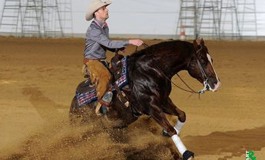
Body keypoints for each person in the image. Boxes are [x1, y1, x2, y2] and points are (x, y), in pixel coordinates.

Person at [84, 0, 143, 115]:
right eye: (103, 8)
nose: (107, 10)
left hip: (100, 60)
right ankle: (100, 105)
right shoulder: (94, 30)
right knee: (105, 76)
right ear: (96, 13)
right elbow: (108, 43)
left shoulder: (104, 27)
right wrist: (130, 41)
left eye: (106, 7)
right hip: (92, 61)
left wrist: (116, 49)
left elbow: (103, 44)